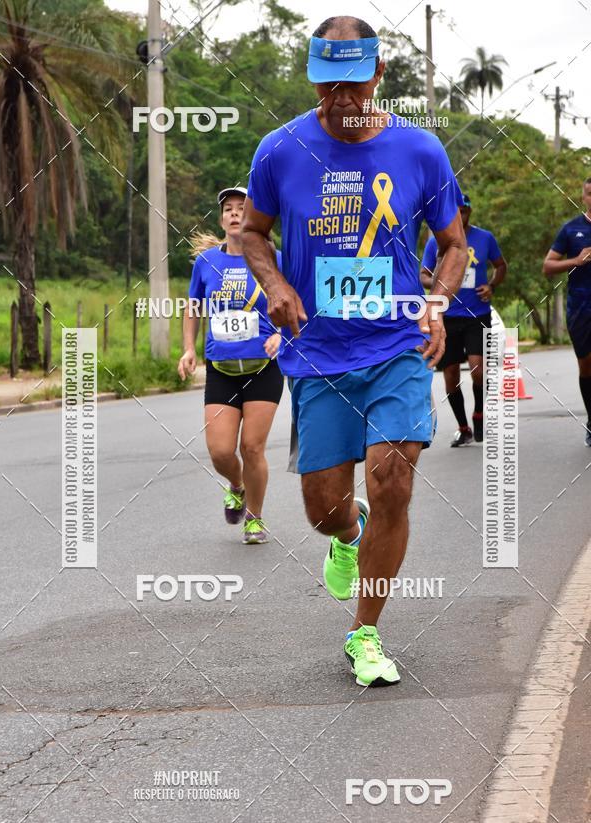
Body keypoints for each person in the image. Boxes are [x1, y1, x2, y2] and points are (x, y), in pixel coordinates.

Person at [241, 16, 466, 686]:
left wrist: (437, 301)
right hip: (318, 354)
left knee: (393, 475)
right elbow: (254, 233)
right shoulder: (279, 151)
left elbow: (453, 243)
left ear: (378, 76)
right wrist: (275, 281)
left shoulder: (420, 150)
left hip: (397, 344)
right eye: (326, 83)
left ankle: (364, 631)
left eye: (352, 82)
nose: (339, 96)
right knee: (321, 506)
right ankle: (346, 532)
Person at [178, 186, 284, 543]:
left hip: (263, 367)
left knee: (252, 447)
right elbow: (193, 306)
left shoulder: (274, 258)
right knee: (222, 451)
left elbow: (296, 300)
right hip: (221, 369)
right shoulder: (207, 263)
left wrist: (284, 336)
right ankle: (236, 485)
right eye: (229, 209)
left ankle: (255, 518)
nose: (235, 213)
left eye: (242, 208)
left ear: (253, 215)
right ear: (222, 218)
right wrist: (188, 349)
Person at [420, 195, 507, 446]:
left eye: (465, 210)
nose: (462, 214)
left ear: (470, 212)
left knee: (478, 369)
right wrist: (437, 284)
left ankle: (479, 414)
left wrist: (491, 285)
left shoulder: (484, 238)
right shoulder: (436, 241)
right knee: (450, 376)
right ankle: (463, 427)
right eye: (457, 210)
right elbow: (423, 275)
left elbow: (501, 265)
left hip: (477, 314)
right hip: (447, 316)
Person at [543, 178, 591, 446]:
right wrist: (576, 261)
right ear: (584, 196)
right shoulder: (571, 229)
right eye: (590, 194)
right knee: (586, 366)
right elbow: (547, 266)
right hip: (581, 307)